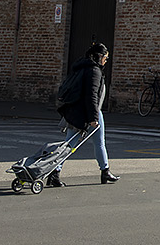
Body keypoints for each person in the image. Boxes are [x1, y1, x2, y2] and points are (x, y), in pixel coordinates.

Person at [51, 42, 120, 186]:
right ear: (99, 56)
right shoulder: (94, 71)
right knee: (79, 144)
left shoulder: (81, 67)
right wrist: (93, 118)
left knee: (72, 143)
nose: (106, 61)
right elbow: (91, 96)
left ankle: (104, 171)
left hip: (77, 110)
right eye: (105, 58)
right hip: (88, 112)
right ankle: (55, 172)